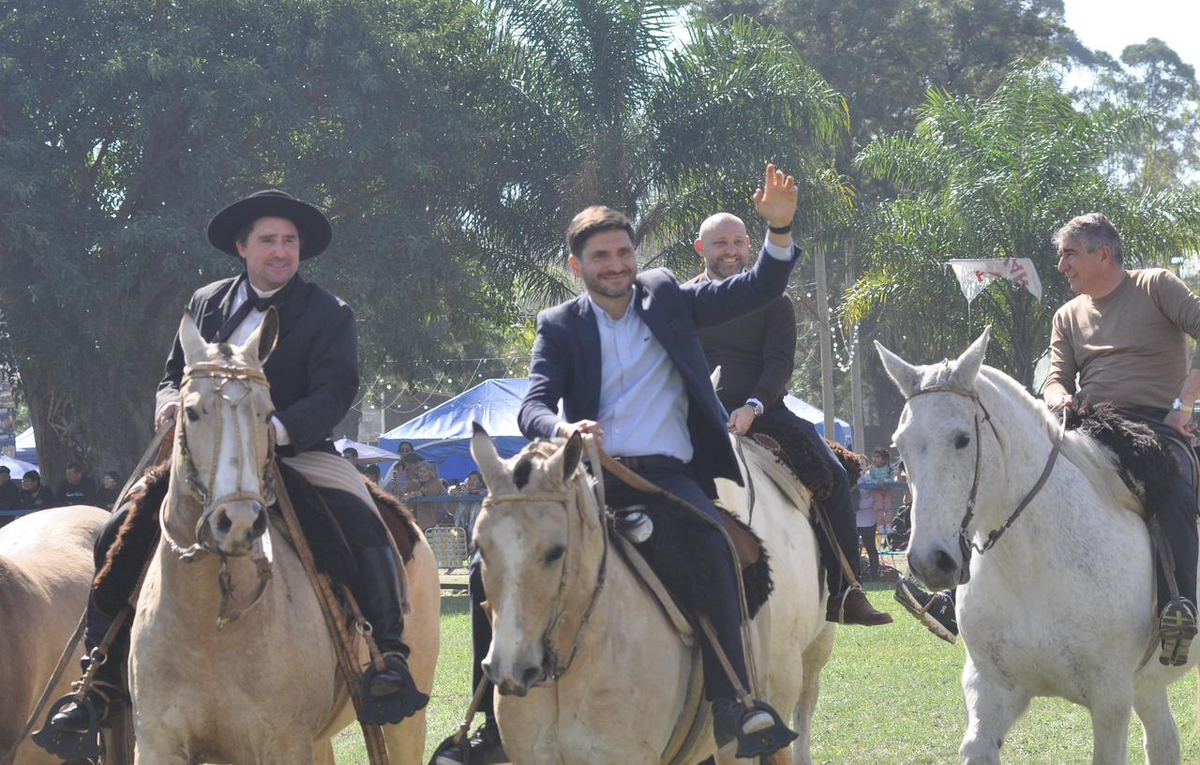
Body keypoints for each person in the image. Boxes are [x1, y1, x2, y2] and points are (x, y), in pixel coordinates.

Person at [436, 165, 805, 764]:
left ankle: (734, 702)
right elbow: (532, 403)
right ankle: (489, 727)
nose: (616, 264)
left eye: (623, 252)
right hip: (585, 477)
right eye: (601, 256)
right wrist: (562, 428)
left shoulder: (670, 299)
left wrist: (780, 229)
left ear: (637, 256)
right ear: (578, 266)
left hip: (665, 477)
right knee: (491, 568)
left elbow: (757, 288)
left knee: (713, 545)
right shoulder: (558, 324)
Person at [45, 189, 426, 739]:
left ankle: (386, 659)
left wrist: (274, 428)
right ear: (242, 248)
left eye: (289, 241)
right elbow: (172, 371)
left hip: (296, 451)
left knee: (363, 523)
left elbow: (337, 389)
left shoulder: (329, 312)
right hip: (202, 459)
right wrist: (169, 404)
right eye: (268, 240)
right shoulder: (203, 304)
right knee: (115, 532)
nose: (281, 251)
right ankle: (98, 681)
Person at [897, 213, 1200, 664]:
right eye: (1061, 256)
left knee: (1173, 484)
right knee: (1008, 477)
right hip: (1090, 424)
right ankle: (960, 600)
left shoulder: (1156, 285)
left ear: (1103, 253)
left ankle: (1181, 609)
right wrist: (1058, 397)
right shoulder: (1066, 316)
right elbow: (1057, 377)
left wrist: (1185, 406)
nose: (1061, 266)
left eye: (1070, 254)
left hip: (1158, 424)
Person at [689, 211, 892, 624]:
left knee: (834, 474)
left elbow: (779, 363)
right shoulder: (681, 300)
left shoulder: (774, 299)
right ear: (701, 248)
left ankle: (844, 590)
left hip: (764, 412)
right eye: (720, 243)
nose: (730, 251)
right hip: (696, 414)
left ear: (748, 245)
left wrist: (752, 407)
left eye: (737, 242)